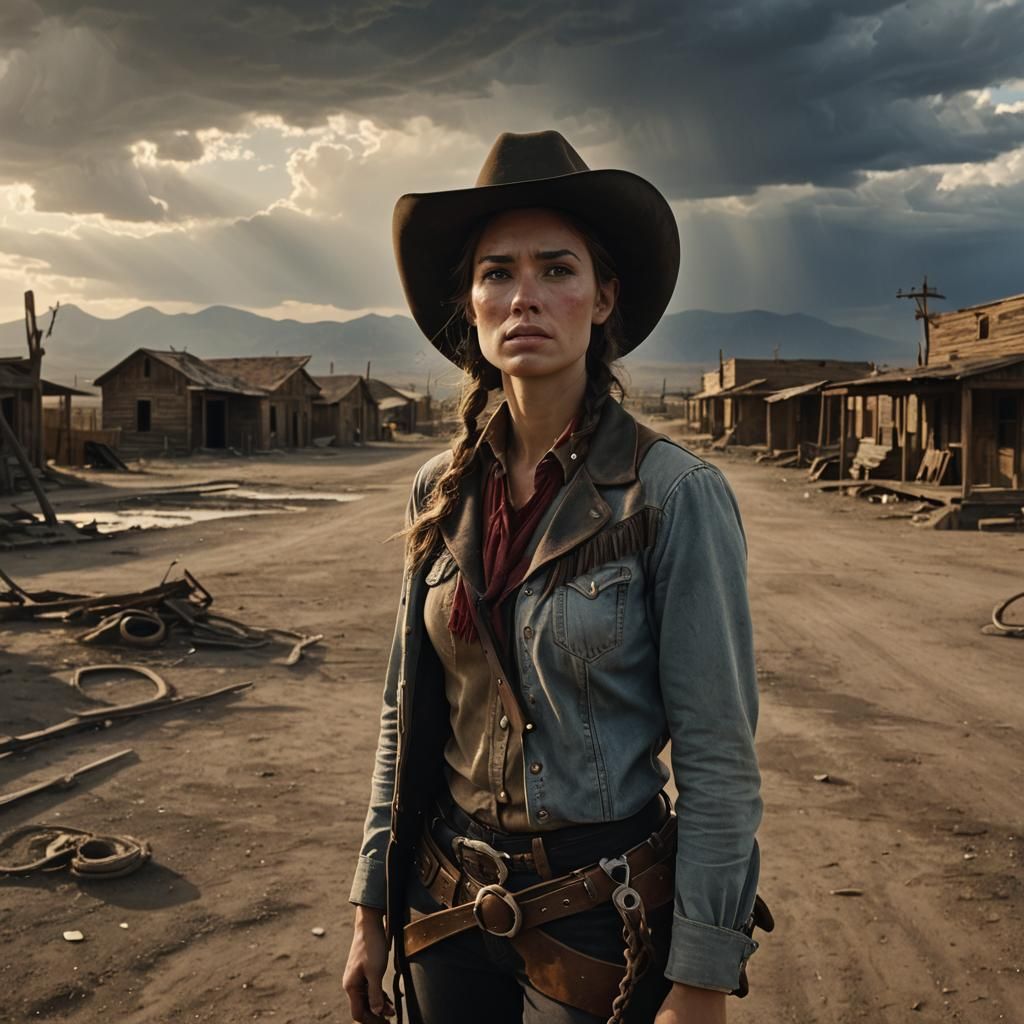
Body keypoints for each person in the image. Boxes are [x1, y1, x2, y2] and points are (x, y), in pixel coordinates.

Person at [343, 131, 769, 1024]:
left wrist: (700, 976)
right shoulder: (440, 489)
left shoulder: (673, 496)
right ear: (471, 302)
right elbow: (403, 716)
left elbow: (719, 760)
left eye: (556, 270)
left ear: (604, 297)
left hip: (599, 924)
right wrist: (370, 908)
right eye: (497, 272)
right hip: (444, 904)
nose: (523, 296)